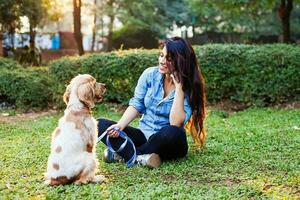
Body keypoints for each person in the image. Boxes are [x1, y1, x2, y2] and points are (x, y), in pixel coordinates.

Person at [97, 37, 206, 168]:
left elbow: (175, 123)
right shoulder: (149, 74)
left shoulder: (189, 87)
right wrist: (119, 126)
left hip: (169, 142)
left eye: (169, 59)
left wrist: (179, 88)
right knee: (99, 124)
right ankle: (142, 157)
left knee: (173, 132)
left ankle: (124, 154)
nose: (162, 61)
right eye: (161, 55)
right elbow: (136, 105)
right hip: (144, 135)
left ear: (181, 61)